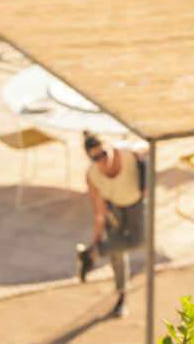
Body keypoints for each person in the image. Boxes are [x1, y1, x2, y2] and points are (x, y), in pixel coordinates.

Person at [75, 131, 147, 318]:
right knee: (117, 253)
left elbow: (146, 146)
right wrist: (97, 238)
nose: (101, 161)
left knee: (140, 242)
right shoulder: (92, 175)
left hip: (135, 205)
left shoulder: (127, 153)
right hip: (115, 209)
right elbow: (99, 209)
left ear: (111, 148)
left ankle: (90, 255)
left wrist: (140, 150)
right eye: (95, 158)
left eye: (103, 154)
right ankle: (122, 296)